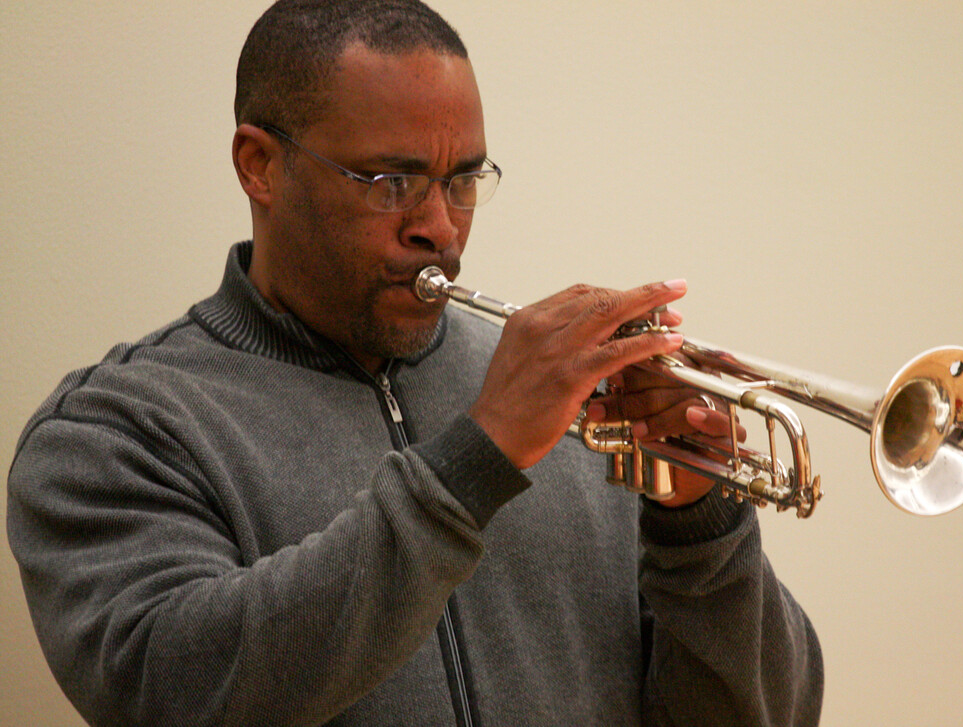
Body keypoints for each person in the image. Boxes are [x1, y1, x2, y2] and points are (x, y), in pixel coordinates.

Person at [6, 1, 823, 725]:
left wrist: (699, 526)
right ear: (260, 165)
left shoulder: (576, 399)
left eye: (462, 180)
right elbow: (179, 691)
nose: (440, 226)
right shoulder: (116, 430)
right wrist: (480, 456)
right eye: (390, 181)